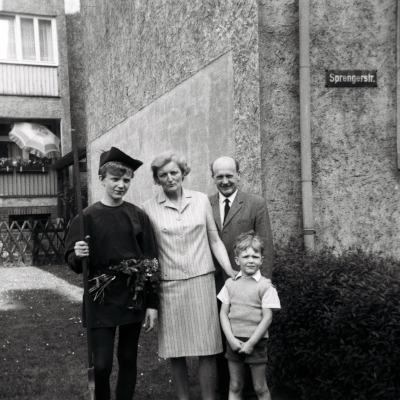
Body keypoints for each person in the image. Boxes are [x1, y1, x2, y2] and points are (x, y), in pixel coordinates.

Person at [64, 147, 159, 400]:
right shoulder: (86, 218)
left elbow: (150, 262)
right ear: (101, 179)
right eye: (115, 179)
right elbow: (73, 262)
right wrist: (79, 254)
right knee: (103, 364)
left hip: (132, 295)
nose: (121, 185)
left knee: (128, 358)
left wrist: (152, 304)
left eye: (126, 180)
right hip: (100, 295)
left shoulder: (137, 215)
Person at [142, 151, 237, 400]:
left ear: (183, 173)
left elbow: (214, 239)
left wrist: (229, 271)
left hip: (202, 282)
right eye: (163, 175)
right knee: (176, 350)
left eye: (174, 172)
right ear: (156, 179)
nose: (170, 178)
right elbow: (149, 255)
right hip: (170, 286)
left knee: (207, 348)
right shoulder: (148, 209)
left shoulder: (201, 200)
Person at [209, 156, 274, 399]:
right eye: (219, 176)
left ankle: (250, 390)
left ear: (238, 174)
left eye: (229, 175)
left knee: (251, 335)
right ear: (213, 178)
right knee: (222, 339)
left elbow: (265, 245)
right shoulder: (207, 204)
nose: (225, 180)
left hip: (249, 289)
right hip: (216, 284)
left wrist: (262, 288)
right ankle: (225, 388)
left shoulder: (255, 203)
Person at [217, 232, 281, 400]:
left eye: (255, 256)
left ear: (261, 260)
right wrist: (230, 339)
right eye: (245, 256)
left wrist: (252, 343)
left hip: (257, 341)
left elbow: (267, 318)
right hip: (234, 340)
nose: (250, 260)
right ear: (237, 260)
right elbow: (223, 313)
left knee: (260, 388)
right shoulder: (230, 284)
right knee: (235, 385)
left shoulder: (266, 286)